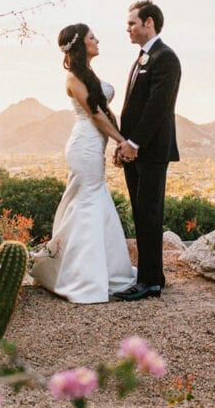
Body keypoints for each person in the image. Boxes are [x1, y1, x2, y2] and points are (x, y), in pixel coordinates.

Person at [29, 24, 137, 304]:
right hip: (84, 147)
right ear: (79, 45)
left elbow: (106, 112)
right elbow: (95, 115)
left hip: (95, 145)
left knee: (93, 201)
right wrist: (120, 141)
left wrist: (119, 140)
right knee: (88, 203)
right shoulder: (73, 77)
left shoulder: (88, 73)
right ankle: (83, 279)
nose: (97, 40)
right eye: (92, 37)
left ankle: (104, 272)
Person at [113, 0, 181, 301]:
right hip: (134, 151)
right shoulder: (143, 57)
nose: (128, 28)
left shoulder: (165, 58)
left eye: (132, 23)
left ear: (148, 22)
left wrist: (135, 143)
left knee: (150, 213)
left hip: (150, 151)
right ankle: (153, 275)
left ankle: (150, 283)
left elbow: (157, 106)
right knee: (142, 214)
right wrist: (123, 144)